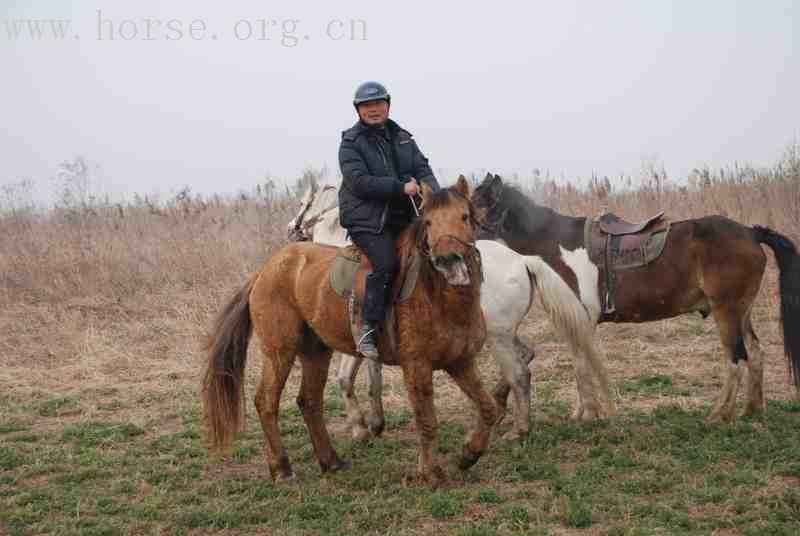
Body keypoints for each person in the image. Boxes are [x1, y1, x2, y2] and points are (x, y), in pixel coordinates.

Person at [338, 81, 441, 359]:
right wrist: (400, 187)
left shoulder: (404, 137)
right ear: (358, 110)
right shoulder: (351, 143)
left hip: (404, 215)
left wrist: (436, 198)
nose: (373, 110)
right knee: (386, 263)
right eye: (367, 105)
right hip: (367, 219)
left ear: (388, 105)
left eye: (378, 104)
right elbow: (359, 182)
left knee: (440, 251)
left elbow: (423, 169)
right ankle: (368, 327)